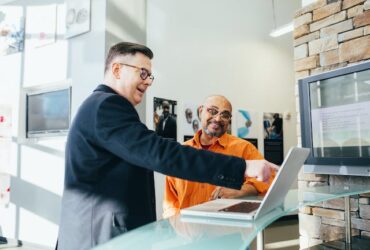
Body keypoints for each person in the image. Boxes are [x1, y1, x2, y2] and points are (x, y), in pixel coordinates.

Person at [57, 42, 277, 250]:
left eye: (150, 76)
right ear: (116, 70)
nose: (147, 82)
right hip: (101, 237)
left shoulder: (100, 106)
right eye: (142, 73)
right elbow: (160, 153)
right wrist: (242, 168)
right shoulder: (107, 106)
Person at [163, 96, 275, 218]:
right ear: (201, 112)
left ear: (229, 120)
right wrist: (178, 227)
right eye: (212, 111)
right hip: (188, 232)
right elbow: (170, 203)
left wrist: (242, 189)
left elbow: (269, 178)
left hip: (229, 231)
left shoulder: (244, 148)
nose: (217, 119)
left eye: (225, 115)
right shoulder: (181, 152)